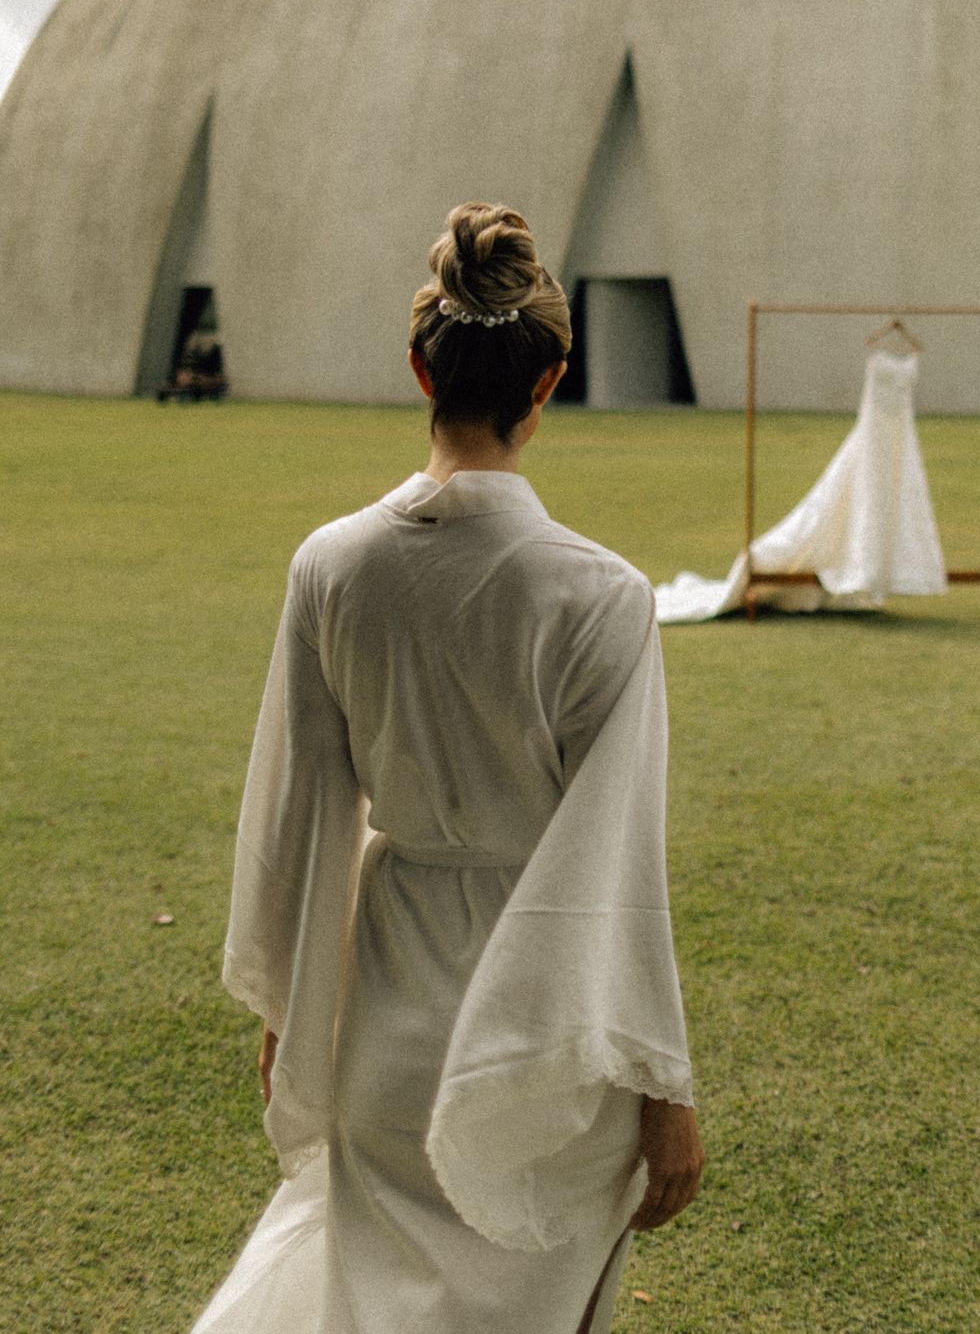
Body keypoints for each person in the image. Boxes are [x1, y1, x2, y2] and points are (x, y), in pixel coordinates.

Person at [191, 202, 703, 1334]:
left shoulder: (332, 564)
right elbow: (616, 854)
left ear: (423, 370)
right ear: (550, 379)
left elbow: (294, 808)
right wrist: (665, 1090)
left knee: (369, 1295)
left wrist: (290, 1002)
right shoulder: (601, 593)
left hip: (382, 1000)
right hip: (545, 1015)